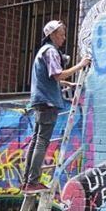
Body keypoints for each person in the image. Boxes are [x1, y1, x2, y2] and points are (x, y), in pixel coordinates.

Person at [22, 20, 90, 192]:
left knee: (36, 140)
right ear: (52, 35)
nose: (64, 38)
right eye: (61, 34)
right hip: (48, 102)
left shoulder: (43, 51)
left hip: (40, 101)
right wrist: (80, 65)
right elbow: (57, 75)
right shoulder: (51, 51)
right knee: (42, 141)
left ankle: (27, 181)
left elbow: (49, 78)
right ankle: (33, 181)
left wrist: (67, 84)